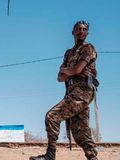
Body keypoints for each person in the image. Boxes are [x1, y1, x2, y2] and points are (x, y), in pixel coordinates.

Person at [30, 20, 99, 160]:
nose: (81, 31)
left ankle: (50, 155)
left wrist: (70, 71)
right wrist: (72, 71)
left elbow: (75, 69)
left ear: (87, 33)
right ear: (73, 32)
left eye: (84, 29)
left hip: (83, 90)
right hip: (72, 90)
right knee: (81, 133)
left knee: (52, 116)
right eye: (78, 29)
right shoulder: (69, 53)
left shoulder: (88, 48)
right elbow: (59, 77)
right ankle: (93, 158)